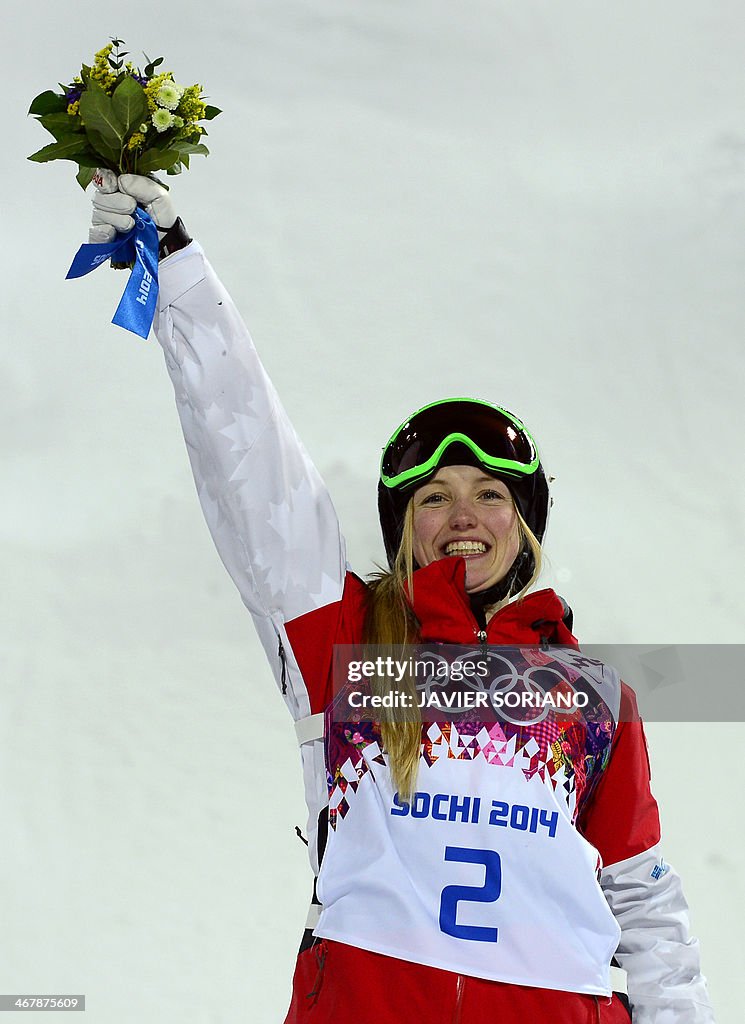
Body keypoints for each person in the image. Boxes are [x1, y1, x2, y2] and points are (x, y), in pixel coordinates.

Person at [86, 173, 716, 1024]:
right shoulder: (348, 644)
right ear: (403, 529)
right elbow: (252, 470)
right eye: (432, 497)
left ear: (523, 524)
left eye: (490, 494)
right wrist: (182, 275)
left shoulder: (590, 697)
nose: (464, 516)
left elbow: (645, 908)